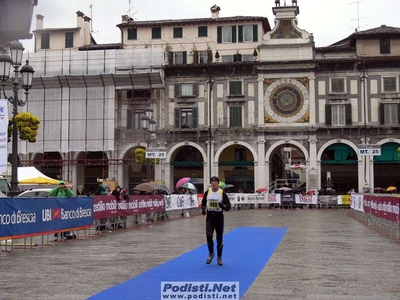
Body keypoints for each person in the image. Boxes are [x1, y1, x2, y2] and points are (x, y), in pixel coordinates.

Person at [201, 176, 231, 266]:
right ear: (211, 183)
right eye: (212, 182)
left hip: (219, 218)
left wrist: (223, 206)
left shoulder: (222, 193)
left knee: (219, 239)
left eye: (215, 182)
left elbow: (228, 206)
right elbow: (203, 203)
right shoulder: (207, 192)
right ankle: (211, 254)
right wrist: (203, 209)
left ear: (218, 183)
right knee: (209, 236)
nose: (214, 183)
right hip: (210, 217)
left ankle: (219, 257)